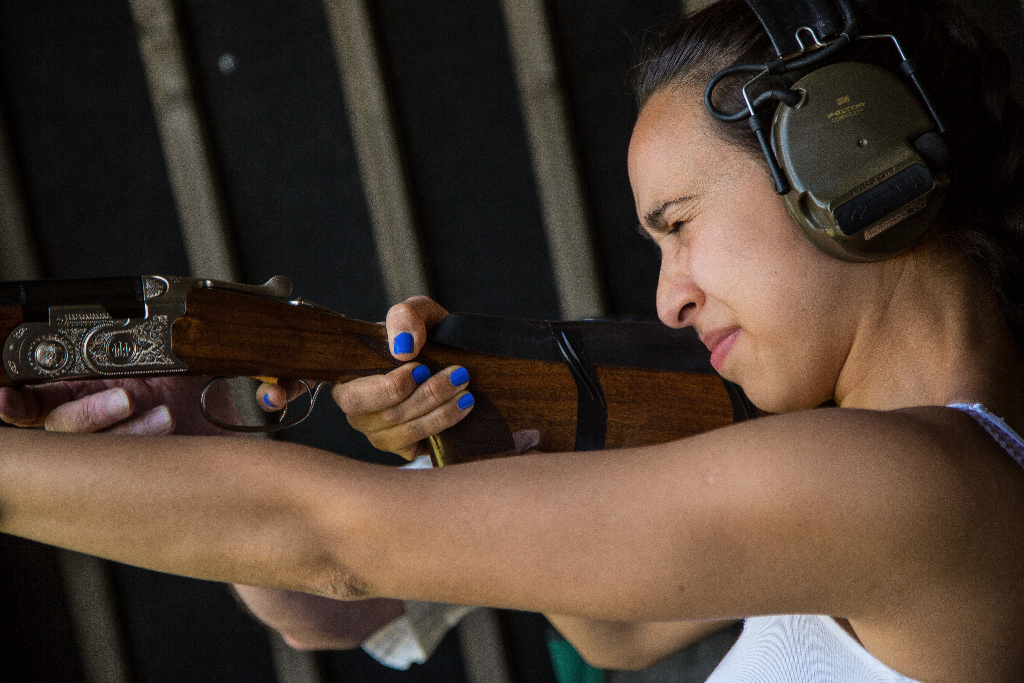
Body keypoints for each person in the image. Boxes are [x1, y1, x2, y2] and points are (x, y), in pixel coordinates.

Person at [2, 0, 1024, 679]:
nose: (669, 300)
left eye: (678, 224)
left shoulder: (911, 482)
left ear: (839, 160)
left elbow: (336, 544)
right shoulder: (927, 469)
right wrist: (474, 438)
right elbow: (617, 630)